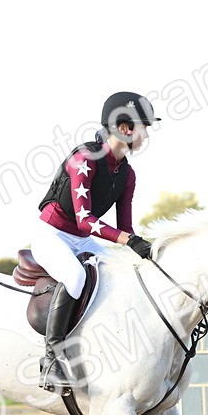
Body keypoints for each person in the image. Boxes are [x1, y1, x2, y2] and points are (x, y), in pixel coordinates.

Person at [33, 91, 161, 389]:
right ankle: (51, 359)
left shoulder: (126, 174)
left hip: (82, 239)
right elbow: (85, 220)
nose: (146, 135)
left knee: (122, 272)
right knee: (76, 276)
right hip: (53, 235)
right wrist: (128, 239)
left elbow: (124, 228)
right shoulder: (84, 160)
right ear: (126, 128)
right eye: (144, 127)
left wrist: (142, 248)